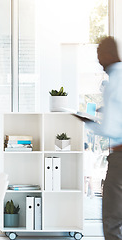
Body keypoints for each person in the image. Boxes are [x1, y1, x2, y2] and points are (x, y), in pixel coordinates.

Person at [79, 36, 122, 240]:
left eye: (99, 54)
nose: (98, 60)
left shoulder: (113, 80)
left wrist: (86, 122)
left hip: (120, 158)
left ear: (108, 54)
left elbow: (110, 130)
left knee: (112, 218)